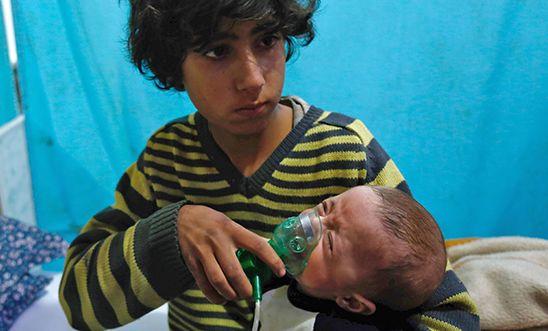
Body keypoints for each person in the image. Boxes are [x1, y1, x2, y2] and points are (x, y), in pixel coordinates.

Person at [58, 0, 479, 330]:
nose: (253, 79)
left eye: (266, 40)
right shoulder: (165, 161)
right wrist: (171, 236)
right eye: (216, 50)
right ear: (173, 64)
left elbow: (441, 302)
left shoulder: (346, 152)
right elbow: (78, 305)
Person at [259, 185, 454, 330]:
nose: (312, 224)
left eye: (329, 243)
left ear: (351, 302)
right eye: (325, 208)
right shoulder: (279, 271)